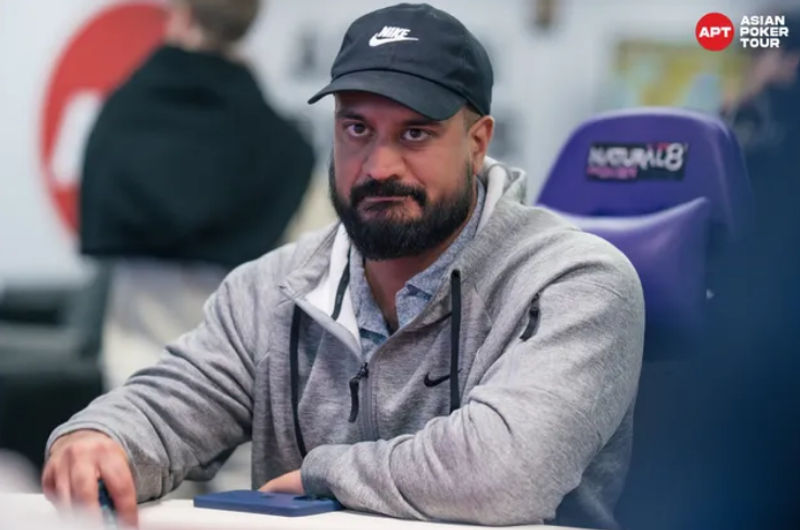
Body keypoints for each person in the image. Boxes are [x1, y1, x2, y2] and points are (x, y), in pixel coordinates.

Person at [44, 4, 644, 529]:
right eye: (357, 128)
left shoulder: (574, 284)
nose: (378, 166)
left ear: (477, 142)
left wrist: (323, 473)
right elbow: (167, 406)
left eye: (415, 134)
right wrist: (101, 438)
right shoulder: (273, 287)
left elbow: (507, 471)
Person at [79, 0, 315, 388]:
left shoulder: (124, 116)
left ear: (182, 17)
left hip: (135, 366)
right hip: (233, 370)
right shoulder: (279, 140)